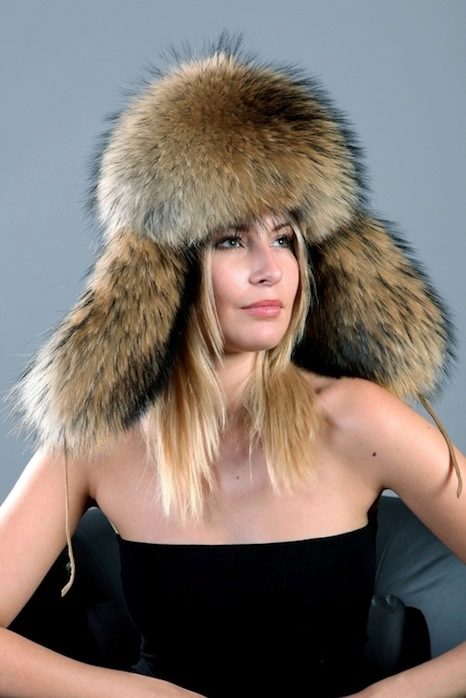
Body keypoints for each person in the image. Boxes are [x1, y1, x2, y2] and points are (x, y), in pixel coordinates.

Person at [1, 37, 465, 697]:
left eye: (284, 238)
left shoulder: (358, 420)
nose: (270, 268)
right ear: (167, 269)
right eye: (231, 240)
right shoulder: (102, 440)